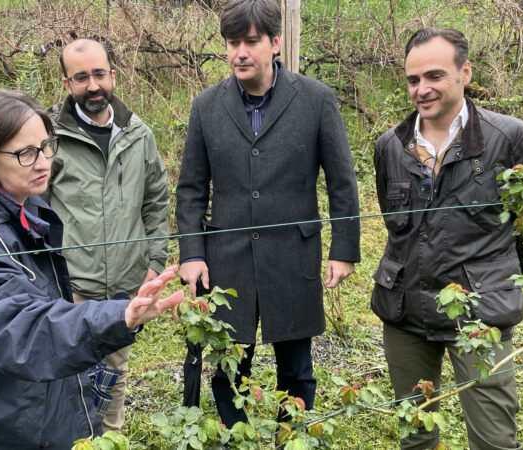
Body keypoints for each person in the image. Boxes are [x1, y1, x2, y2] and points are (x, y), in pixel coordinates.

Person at [0, 88, 183, 449]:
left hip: (10, 405)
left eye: (47, 146)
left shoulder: (13, 211)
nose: (44, 161)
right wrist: (121, 315)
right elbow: (28, 329)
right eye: (25, 153)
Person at [175, 0, 360, 428]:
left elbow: (341, 181)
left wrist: (344, 248)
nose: (240, 52)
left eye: (250, 42)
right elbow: (190, 190)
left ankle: (291, 436)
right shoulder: (206, 106)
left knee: (296, 369)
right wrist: (191, 253)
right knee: (228, 366)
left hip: (293, 257)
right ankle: (232, 436)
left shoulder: (315, 99)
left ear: (275, 43)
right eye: (232, 42)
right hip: (226, 259)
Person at [372, 28, 523, 449]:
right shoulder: (391, 146)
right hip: (405, 313)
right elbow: (392, 220)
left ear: (465, 72)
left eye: (434, 76)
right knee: (415, 436)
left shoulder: (510, 138)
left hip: (479, 315)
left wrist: (495, 275)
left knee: (494, 439)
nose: (422, 89)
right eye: (413, 80)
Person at [43, 38, 170, 432]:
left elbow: (155, 201)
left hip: (125, 288)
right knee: (66, 375)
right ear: (67, 84)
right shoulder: (51, 139)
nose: (93, 86)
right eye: (81, 77)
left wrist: (155, 261)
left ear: (113, 75)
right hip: (72, 286)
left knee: (113, 377)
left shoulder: (138, 135)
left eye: (99, 74)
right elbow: (36, 210)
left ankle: (107, 439)